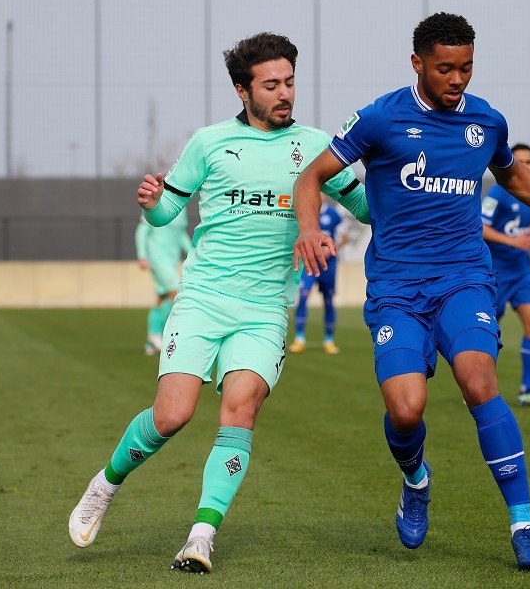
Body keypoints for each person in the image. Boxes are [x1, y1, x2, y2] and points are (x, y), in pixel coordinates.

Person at [293, 12, 530, 570]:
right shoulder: (380, 118)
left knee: (478, 379)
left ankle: (521, 523)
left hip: (464, 277)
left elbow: (511, 175)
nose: (457, 79)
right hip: (395, 288)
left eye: (465, 68)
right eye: (444, 69)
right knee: (406, 410)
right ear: (418, 63)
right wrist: (311, 228)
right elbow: (310, 176)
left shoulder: (486, 122)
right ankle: (416, 481)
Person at [68, 32, 369, 574]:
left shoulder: (317, 146)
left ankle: (201, 535)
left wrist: (404, 185)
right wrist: (155, 203)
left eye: (290, 82)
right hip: (204, 299)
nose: (285, 94)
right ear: (242, 89)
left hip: (264, 309)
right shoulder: (208, 143)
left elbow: (365, 206)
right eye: (271, 84)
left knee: (240, 410)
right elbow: (166, 216)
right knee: (172, 415)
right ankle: (105, 483)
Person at [481, 143, 530, 408]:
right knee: (488, 333)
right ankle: (480, 389)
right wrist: (512, 244)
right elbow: (480, 227)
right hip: (496, 271)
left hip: (523, 271)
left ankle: (528, 389)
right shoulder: (497, 193)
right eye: (519, 161)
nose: (525, 166)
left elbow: (526, 229)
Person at [288, 197, 348, 355]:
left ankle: (329, 340)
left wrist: (331, 248)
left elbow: (345, 237)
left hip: (329, 265)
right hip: (309, 262)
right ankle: (299, 339)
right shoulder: (307, 214)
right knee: (304, 296)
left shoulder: (334, 214)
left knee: (328, 300)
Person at [135, 209, 191, 355]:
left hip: (171, 258)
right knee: (175, 291)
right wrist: (142, 255)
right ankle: (156, 334)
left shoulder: (181, 206)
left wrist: (193, 254)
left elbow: (180, 234)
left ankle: (150, 341)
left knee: (161, 297)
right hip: (156, 256)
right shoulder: (157, 201)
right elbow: (142, 230)